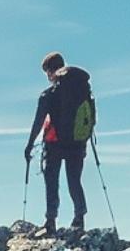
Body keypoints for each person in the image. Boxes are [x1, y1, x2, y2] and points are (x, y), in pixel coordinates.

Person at [24, 52, 92, 235]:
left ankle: (50, 220)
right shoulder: (82, 90)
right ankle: (79, 218)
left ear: (50, 72)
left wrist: (30, 144)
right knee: (74, 180)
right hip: (77, 143)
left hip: (54, 144)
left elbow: (38, 122)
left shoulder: (48, 94)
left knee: (52, 181)